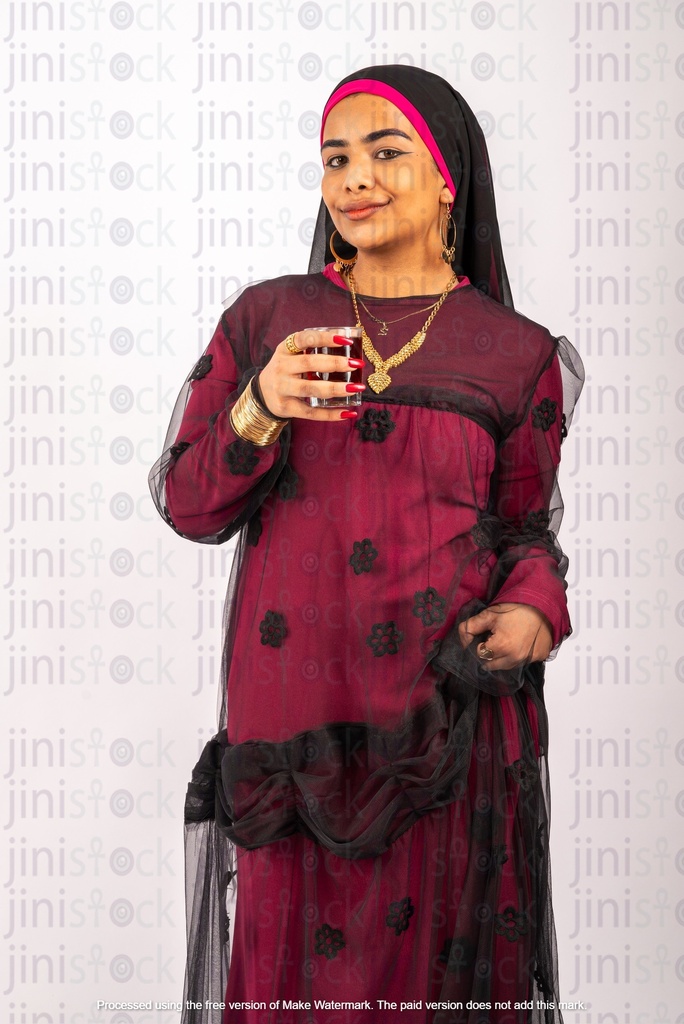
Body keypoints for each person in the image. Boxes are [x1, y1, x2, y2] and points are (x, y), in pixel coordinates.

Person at [150, 66, 583, 1024]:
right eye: (335, 157)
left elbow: (525, 533)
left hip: (444, 725)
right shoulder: (269, 318)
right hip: (291, 722)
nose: (355, 177)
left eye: (387, 152)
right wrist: (260, 406)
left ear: (446, 180)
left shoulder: (514, 353)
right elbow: (188, 504)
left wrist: (532, 611)